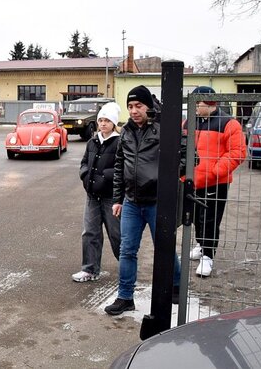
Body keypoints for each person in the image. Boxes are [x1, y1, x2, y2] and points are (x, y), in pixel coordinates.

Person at [104, 85, 182, 316]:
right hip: (131, 202)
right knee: (127, 250)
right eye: (130, 106)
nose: (134, 111)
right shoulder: (126, 131)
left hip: (158, 201)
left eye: (138, 106)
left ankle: (176, 286)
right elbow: (119, 165)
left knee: (164, 248)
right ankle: (125, 297)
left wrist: (166, 179)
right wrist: (117, 199)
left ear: (149, 106)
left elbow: (187, 155)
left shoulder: (164, 127)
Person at [185, 86, 246, 277]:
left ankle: (208, 255)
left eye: (198, 103)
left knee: (210, 219)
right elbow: (182, 146)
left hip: (215, 182)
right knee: (195, 216)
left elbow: (237, 152)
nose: (195, 106)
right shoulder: (190, 121)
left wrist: (214, 173)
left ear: (210, 103)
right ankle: (201, 244)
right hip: (192, 181)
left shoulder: (229, 123)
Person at [72, 102, 122, 282]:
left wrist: (104, 176)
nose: (103, 124)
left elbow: (124, 168)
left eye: (107, 120)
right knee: (90, 233)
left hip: (111, 198)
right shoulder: (92, 141)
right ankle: (90, 269)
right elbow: (84, 162)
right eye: (101, 120)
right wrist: (85, 175)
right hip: (92, 196)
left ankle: (127, 268)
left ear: (113, 123)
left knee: (117, 235)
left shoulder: (120, 142)